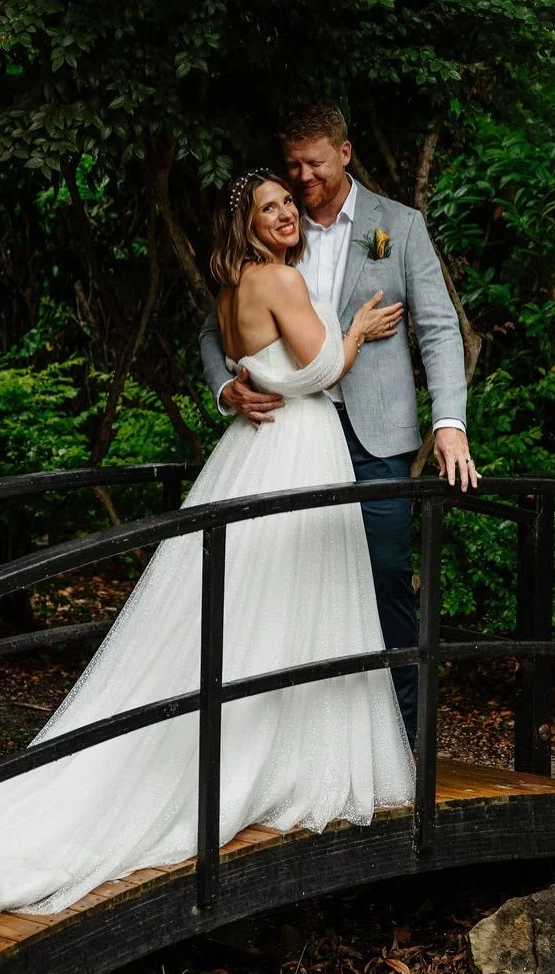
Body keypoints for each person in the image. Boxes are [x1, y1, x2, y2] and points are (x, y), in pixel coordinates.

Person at [0, 169, 415, 920]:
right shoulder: (278, 276)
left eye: (288, 202)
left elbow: (246, 356)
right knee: (277, 603)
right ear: (248, 225)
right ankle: (266, 764)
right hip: (296, 446)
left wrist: (243, 382)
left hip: (257, 451)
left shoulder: (233, 287)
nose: (285, 213)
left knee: (263, 608)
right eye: (269, 207)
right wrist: (352, 334)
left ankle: (273, 753)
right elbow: (315, 367)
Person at [201, 102, 477, 747]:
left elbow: (436, 328)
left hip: (377, 437)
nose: (302, 179)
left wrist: (450, 422)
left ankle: (403, 746)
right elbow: (213, 330)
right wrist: (227, 385)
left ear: (345, 153)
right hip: (290, 438)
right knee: (290, 587)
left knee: (383, 581)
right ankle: (304, 745)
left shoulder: (398, 226)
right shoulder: (273, 244)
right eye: (292, 166)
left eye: (315, 164)